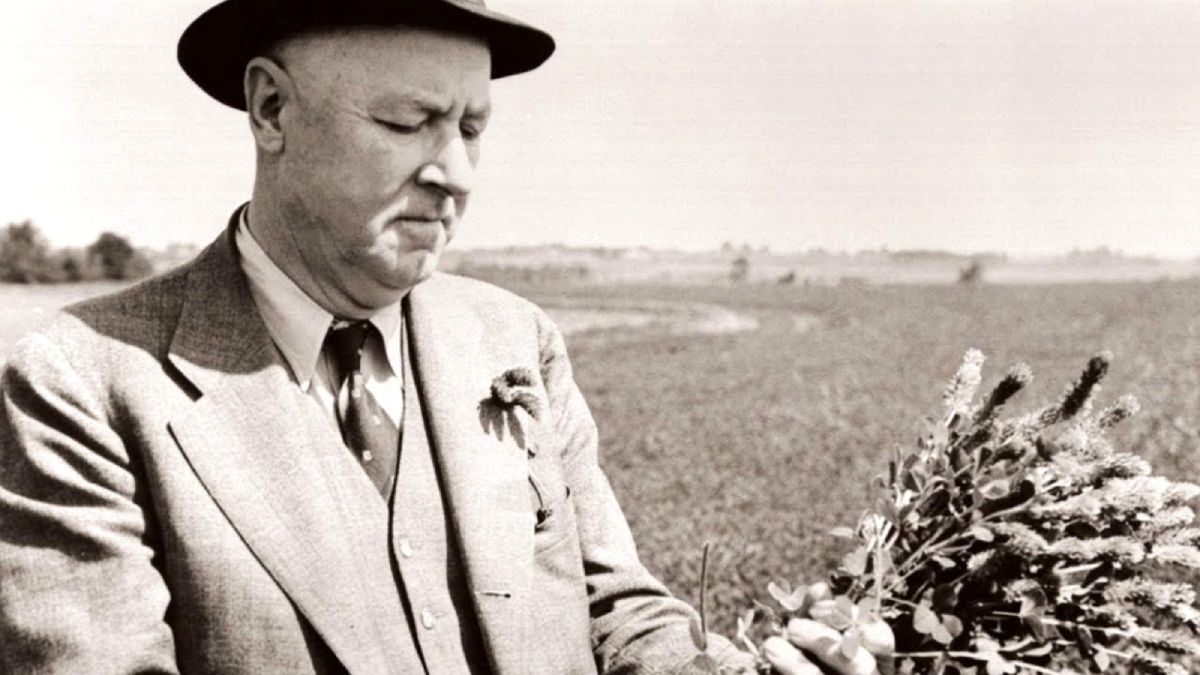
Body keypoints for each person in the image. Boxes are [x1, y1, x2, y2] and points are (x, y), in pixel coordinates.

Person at [0, 1, 882, 673]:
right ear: (271, 109)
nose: (453, 175)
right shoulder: (81, 382)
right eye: (405, 123)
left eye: (471, 129)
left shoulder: (512, 337)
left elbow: (615, 605)